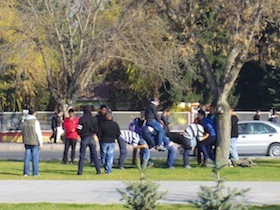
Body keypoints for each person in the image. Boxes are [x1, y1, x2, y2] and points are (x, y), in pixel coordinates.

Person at [77, 106, 101, 175]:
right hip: (91, 137)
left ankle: (80, 171)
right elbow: (96, 129)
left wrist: (81, 134)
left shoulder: (82, 119)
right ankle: (98, 170)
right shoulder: (94, 119)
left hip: (84, 138)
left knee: (82, 155)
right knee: (95, 155)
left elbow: (79, 129)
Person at [22, 107, 43, 176]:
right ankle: (35, 173)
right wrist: (41, 143)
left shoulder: (24, 121)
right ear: (34, 113)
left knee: (27, 157)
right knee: (35, 157)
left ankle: (26, 172)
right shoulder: (35, 122)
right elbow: (38, 133)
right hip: (35, 141)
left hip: (27, 141)